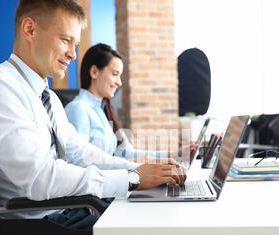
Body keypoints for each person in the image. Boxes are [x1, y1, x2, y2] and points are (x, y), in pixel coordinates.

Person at [0, 0, 222, 235]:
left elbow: (81, 153)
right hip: (42, 231)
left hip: (64, 216)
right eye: (66, 40)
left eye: (75, 43)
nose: (74, 54)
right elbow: (39, 178)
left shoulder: (45, 96)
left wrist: (137, 172)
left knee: (168, 229)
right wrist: (132, 180)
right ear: (30, 29)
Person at [65, 43, 197, 162]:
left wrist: (173, 155)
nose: (119, 82)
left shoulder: (103, 111)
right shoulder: (78, 109)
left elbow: (126, 153)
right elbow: (79, 162)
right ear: (94, 72)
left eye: (120, 75)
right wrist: (137, 170)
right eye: (115, 74)